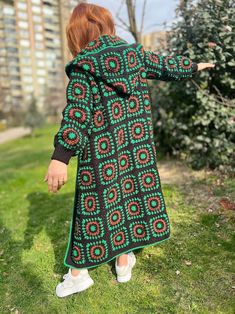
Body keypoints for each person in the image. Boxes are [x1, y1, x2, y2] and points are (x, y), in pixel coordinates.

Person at [44, 2, 215, 298]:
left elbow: (77, 114)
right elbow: (166, 66)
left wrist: (61, 157)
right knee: (129, 199)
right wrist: (196, 65)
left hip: (101, 154)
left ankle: (78, 275)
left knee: (92, 209)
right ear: (107, 26)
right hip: (136, 151)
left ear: (78, 34)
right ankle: (123, 264)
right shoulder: (134, 55)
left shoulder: (84, 65)